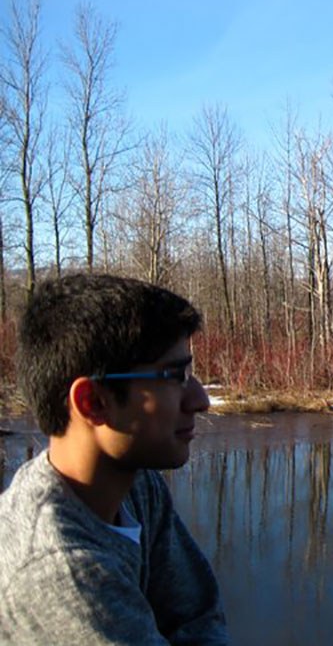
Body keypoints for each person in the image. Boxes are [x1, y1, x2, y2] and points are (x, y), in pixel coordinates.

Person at [0, 273, 228, 644]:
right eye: (175, 375)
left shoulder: (136, 486)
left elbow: (196, 614)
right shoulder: (59, 572)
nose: (201, 400)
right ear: (93, 402)